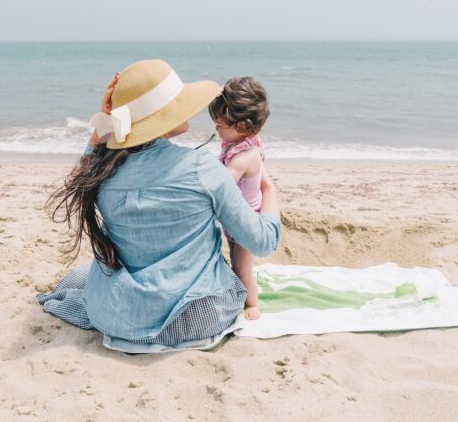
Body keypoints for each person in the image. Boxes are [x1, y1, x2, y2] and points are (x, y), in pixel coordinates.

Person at [37, 59, 280, 351]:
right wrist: (269, 190)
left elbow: (85, 168)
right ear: (162, 116)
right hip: (194, 318)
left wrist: (104, 125)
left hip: (117, 313)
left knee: (83, 276)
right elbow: (262, 242)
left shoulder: (101, 171)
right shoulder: (201, 168)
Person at [208, 77, 270, 320]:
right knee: (235, 259)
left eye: (219, 126)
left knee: (242, 269)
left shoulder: (244, 157)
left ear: (243, 127)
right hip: (235, 221)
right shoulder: (241, 144)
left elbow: (222, 183)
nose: (216, 130)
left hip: (246, 224)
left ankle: (252, 304)